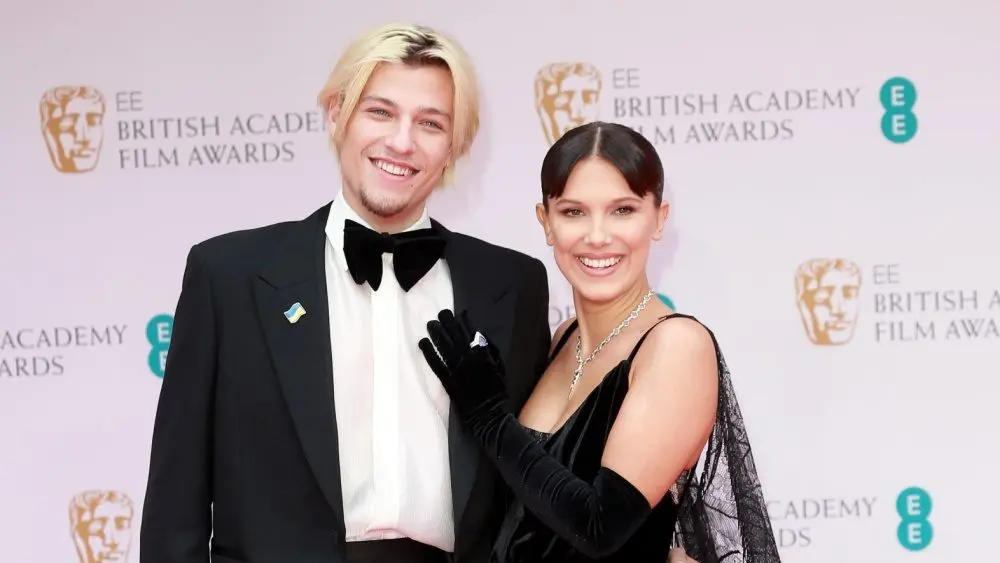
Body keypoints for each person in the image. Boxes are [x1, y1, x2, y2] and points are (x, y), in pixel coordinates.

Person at [139, 22, 555, 563]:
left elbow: (531, 490)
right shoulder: (229, 277)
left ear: (455, 147)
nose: (401, 142)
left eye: (430, 123)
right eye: (380, 112)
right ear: (337, 114)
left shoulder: (511, 285)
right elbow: (176, 504)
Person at [417, 121, 783, 562]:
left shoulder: (676, 346)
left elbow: (600, 525)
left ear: (659, 218)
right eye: (573, 212)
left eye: (622, 210)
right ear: (545, 221)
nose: (597, 235)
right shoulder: (561, 341)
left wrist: (492, 418)